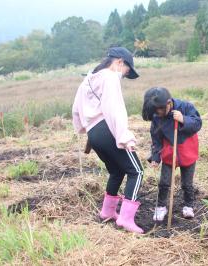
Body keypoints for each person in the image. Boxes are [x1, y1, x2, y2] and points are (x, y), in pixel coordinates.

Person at [72, 47, 144, 234]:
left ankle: (107, 212)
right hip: (108, 130)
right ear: (120, 62)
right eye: (127, 71)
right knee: (136, 171)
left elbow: (75, 109)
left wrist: (83, 127)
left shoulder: (88, 79)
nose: (125, 75)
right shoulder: (110, 77)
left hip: (93, 134)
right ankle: (126, 219)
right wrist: (124, 136)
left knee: (116, 171)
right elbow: (114, 109)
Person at [142, 87, 202, 221]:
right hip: (169, 154)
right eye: (156, 112)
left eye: (161, 110)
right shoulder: (157, 117)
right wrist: (156, 157)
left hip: (188, 153)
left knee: (187, 184)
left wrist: (183, 119)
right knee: (164, 182)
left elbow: (198, 123)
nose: (159, 114)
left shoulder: (186, 107)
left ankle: (188, 206)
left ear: (168, 103)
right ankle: (161, 207)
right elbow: (156, 139)